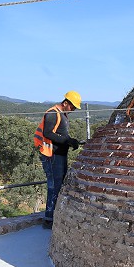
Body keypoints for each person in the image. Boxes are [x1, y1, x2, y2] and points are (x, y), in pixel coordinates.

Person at [34, 91, 82, 229]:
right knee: (54, 185)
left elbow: (60, 134)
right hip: (51, 155)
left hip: (59, 155)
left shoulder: (63, 114)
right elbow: (47, 133)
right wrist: (67, 140)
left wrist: (69, 142)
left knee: (58, 185)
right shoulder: (52, 113)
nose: (73, 110)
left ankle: (53, 216)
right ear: (65, 103)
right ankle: (49, 219)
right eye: (72, 107)